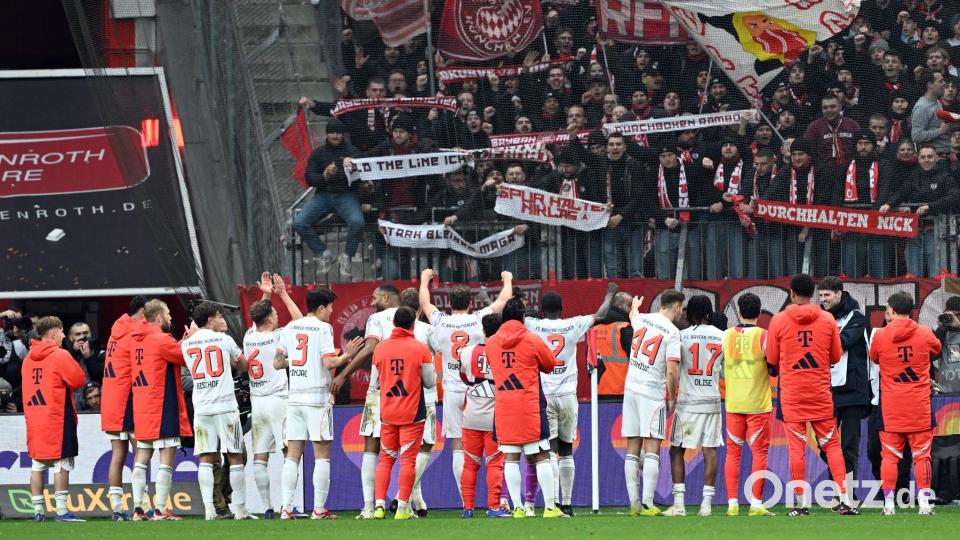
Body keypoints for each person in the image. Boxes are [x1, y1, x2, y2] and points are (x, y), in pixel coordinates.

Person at [417, 269, 513, 513]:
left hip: (451, 388)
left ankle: (466, 502)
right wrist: (507, 279)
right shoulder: (479, 318)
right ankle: (496, 500)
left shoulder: (439, 320)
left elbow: (425, 303)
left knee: (459, 446)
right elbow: (503, 301)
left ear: (449, 303)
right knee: (493, 445)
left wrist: (424, 279)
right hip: (480, 388)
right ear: (470, 303)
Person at [522, 284, 617, 516]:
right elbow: (602, 315)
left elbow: (514, 317)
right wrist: (610, 294)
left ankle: (552, 504)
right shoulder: (572, 324)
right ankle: (567, 503)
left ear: (542, 310)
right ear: (562, 309)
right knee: (566, 449)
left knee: (550, 449)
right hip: (567, 396)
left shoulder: (534, 325)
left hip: (544, 394)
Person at [766, 274, 857, 516]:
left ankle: (801, 504)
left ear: (792, 294)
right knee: (832, 446)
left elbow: (772, 358)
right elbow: (836, 356)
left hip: (792, 394)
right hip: (820, 392)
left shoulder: (778, 320)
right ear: (813, 294)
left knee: (796, 449)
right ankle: (845, 500)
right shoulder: (827, 319)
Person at [274, 288, 362, 520]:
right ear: (321, 307)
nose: (332, 311)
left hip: (294, 398)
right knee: (322, 454)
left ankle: (285, 508)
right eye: (330, 307)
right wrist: (347, 355)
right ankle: (318, 509)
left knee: (292, 455)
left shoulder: (289, 328)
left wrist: (298, 363)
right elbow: (329, 362)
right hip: (316, 399)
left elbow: (277, 363)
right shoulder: (323, 328)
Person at [485, 294, 563, 518]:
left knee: (510, 456)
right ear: (522, 317)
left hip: (504, 407)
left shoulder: (491, 343)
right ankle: (549, 508)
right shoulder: (532, 339)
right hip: (529, 406)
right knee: (541, 455)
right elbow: (549, 365)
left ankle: (518, 507)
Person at [330, 283, 401, 519]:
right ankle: (407, 504)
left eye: (375, 298)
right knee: (409, 449)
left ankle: (370, 507)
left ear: (387, 298)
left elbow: (370, 347)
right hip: (408, 392)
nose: (372, 303)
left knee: (372, 445)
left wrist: (343, 374)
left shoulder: (377, 319)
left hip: (380, 390)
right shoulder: (414, 320)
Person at [869, 291, 941, 515]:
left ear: (890, 310)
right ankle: (925, 504)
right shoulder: (925, 333)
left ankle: (889, 505)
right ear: (911, 311)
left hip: (891, 407)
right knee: (922, 457)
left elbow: (874, 357)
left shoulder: (880, 336)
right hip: (918, 405)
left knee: (889, 457)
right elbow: (936, 350)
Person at [181, 302, 253, 520]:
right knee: (235, 456)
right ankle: (240, 510)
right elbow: (243, 365)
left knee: (205, 457)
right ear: (210, 319)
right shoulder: (224, 340)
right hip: (225, 406)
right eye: (219, 316)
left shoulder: (186, 344)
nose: (221, 319)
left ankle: (210, 511)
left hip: (202, 408)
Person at [242, 274, 303, 519]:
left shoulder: (248, 337)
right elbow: (301, 322)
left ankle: (267, 507)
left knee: (260, 456)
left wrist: (266, 294)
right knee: (290, 450)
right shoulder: (278, 336)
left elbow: (258, 318)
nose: (279, 317)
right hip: (279, 401)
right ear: (269, 318)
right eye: (275, 314)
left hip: (258, 404)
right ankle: (288, 506)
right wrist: (282, 294)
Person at [129, 299, 196, 521]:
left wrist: (180, 342)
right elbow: (185, 358)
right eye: (167, 314)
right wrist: (193, 339)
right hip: (162, 406)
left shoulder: (137, 340)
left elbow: (168, 353)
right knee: (167, 459)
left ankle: (138, 509)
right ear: (158, 318)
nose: (170, 317)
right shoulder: (161, 339)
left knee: (141, 458)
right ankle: (159, 510)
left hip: (142, 407)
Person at [369, 307, 436, 520]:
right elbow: (430, 382)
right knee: (407, 460)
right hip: (412, 413)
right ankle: (402, 508)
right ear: (413, 325)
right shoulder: (421, 349)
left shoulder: (380, 349)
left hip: (388, 412)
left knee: (386, 459)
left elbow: (374, 383)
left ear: (394, 324)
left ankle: (378, 506)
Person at [623, 289, 684, 517]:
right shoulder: (672, 332)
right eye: (681, 308)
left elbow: (632, 315)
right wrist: (672, 396)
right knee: (652, 448)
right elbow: (672, 370)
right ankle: (648, 504)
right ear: (677, 307)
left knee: (632, 447)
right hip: (651, 392)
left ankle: (634, 504)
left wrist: (636, 305)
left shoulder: (642, 319)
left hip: (630, 388)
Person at [664, 295, 724, 517]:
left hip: (688, 402)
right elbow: (726, 370)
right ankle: (706, 505)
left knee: (677, 449)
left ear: (689, 314)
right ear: (709, 313)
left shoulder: (680, 336)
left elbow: (671, 367)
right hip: (712, 401)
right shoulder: (722, 337)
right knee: (710, 450)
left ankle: (679, 503)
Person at [22, 316, 85, 522]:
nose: (64, 335)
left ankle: (38, 512)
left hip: (35, 418)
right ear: (54, 333)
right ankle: (61, 511)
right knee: (61, 465)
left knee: (37, 465)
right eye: (62, 331)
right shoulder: (60, 355)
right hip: (57, 418)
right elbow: (77, 380)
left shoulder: (28, 359)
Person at [818, 276, 872, 498]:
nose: (823, 300)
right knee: (824, 444)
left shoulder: (857, 317)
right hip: (826, 388)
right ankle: (839, 486)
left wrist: (816, 339)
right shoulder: (820, 317)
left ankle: (846, 493)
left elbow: (842, 343)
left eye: (827, 295)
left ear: (839, 293)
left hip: (852, 389)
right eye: (820, 296)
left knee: (849, 444)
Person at [722, 293, 775, 517]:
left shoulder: (725, 336)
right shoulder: (764, 336)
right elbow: (773, 366)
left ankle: (732, 504)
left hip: (734, 403)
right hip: (758, 404)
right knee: (759, 452)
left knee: (733, 453)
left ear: (740, 312)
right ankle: (755, 503)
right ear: (759, 312)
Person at [294, 118, 364, 278]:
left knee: (358, 222)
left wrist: (348, 167)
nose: (335, 136)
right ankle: (323, 253)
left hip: (346, 194)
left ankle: (347, 256)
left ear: (343, 135)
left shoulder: (352, 151)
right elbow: (310, 177)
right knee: (299, 222)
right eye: (332, 132)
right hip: (324, 194)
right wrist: (325, 176)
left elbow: (361, 175)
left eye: (338, 133)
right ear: (327, 134)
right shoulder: (318, 153)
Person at [100, 295, 149, 521]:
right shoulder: (134, 334)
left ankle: (118, 509)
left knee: (118, 454)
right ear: (142, 313)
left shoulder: (117, 331)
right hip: (127, 399)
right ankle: (141, 505)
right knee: (142, 452)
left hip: (111, 399)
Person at [879, 144, 960, 277]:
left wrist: (930, 206)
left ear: (936, 158)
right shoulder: (914, 176)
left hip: (936, 234)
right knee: (913, 275)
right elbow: (902, 192)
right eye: (923, 157)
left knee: (936, 275)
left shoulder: (945, 176)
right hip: (914, 233)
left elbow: (955, 196)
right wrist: (889, 204)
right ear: (918, 159)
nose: (926, 160)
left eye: (929, 157)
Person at [457, 313, 509, 518]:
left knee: (470, 464)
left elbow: (463, 375)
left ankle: (467, 508)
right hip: (495, 418)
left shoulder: (467, 351)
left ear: (483, 329)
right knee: (495, 463)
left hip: (471, 415)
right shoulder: (505, 352)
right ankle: (494, 507)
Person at [595, 292, 636, 398]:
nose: (633, 309)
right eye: (630, 305)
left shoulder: (595, 329)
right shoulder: (625, 329)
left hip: (599, 391)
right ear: (623, 305)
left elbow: (590, 361)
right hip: (623, 391)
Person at [911, 68, 953, 154]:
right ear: (930, 84)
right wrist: (939, 131)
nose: (944, 84)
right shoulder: (922, 107)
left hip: (945, 154)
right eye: (940, 81)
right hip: (934, 158)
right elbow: (916, 136)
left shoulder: (936, 101)